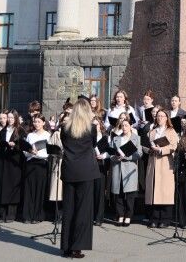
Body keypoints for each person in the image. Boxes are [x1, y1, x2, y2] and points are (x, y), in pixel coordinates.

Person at [60, 98, 100, 259]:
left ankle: (66, 247)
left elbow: (64, 144)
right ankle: (77, 247)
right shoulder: (91, 128)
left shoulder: (65, 128)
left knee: (68, 208)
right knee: (83, 210)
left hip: (70, 170)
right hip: (86, 171)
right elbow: (94, 144)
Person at [145, 108, 179, 227]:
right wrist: (149, 149)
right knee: (154, 191)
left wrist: (161, 149)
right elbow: (146, 145)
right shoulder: (152, 132)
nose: (159, 118)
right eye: (158, 116)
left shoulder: (171, 131)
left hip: (165, 163)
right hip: (153, 163)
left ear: (166, 118)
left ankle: (165, 219)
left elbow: (174, 146)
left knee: (165, 192)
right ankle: (154, 218)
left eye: (162, 116)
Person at [0, 109, 26, 222]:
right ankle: (2, 214)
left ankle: (11, 214)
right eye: (8, 117)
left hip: (14, 162)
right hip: (3, 161)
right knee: (2, 187)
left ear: (16, 118)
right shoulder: (3, 130)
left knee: (12, 187)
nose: (10, 119)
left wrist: (15, 145)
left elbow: (23, 145)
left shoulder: (20, 130)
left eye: (12, 117)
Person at [110, 119, 142, 227]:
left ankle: (128, 215)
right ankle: (120, 215)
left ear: (130, 126)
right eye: (122, 125)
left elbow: (139, 154)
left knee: (130, 194)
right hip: (117, 168)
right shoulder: (116, 139)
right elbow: (110, 154)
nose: (124, 127)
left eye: (126, 125)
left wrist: (127, 157)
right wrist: (115, 157)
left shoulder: (136, 138)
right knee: (118, 194)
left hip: (130, 169)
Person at [21, 114, 50, 223]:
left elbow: (49, 151)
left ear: (43, 123)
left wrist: (39, 152)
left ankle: (38, 216)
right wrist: (30, 151)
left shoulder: (47, 135)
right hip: (31, 162)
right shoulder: (30, 135)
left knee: (40, 190)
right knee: (29, 189)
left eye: (38, 121)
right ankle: (27, 215)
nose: (36, 124)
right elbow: (25, 151)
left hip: (42, 163)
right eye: (35, 121)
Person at [92, 117, 108, 226]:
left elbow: (109, 150)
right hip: (89, 166)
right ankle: (90, 216)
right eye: (92, 125)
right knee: (90, 193)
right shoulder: (87, 138)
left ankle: (99, 217)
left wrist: (103, 155)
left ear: (100, 125)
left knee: (99, 193)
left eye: (96, 125)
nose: (94, 127)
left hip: (100, 166)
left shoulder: (105, 137)